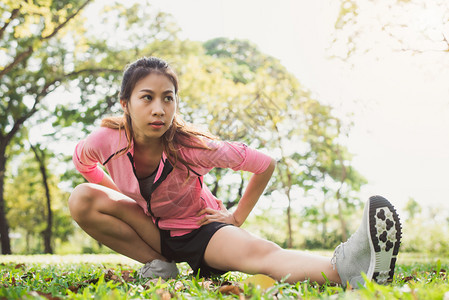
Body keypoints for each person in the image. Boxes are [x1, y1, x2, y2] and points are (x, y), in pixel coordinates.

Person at [68, 56, 402, 288]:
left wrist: (236, 217)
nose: (159, 109)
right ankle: (158, 266)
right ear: (125, 103)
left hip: (200, 231)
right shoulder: (106, 140)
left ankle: (349, 268)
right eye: (147, 98)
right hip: (152, 233)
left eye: (168, 99)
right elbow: (82, 162)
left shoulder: (192, 147)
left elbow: (264, 163)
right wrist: (121, 195)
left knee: (263, 255)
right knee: (82, 197)